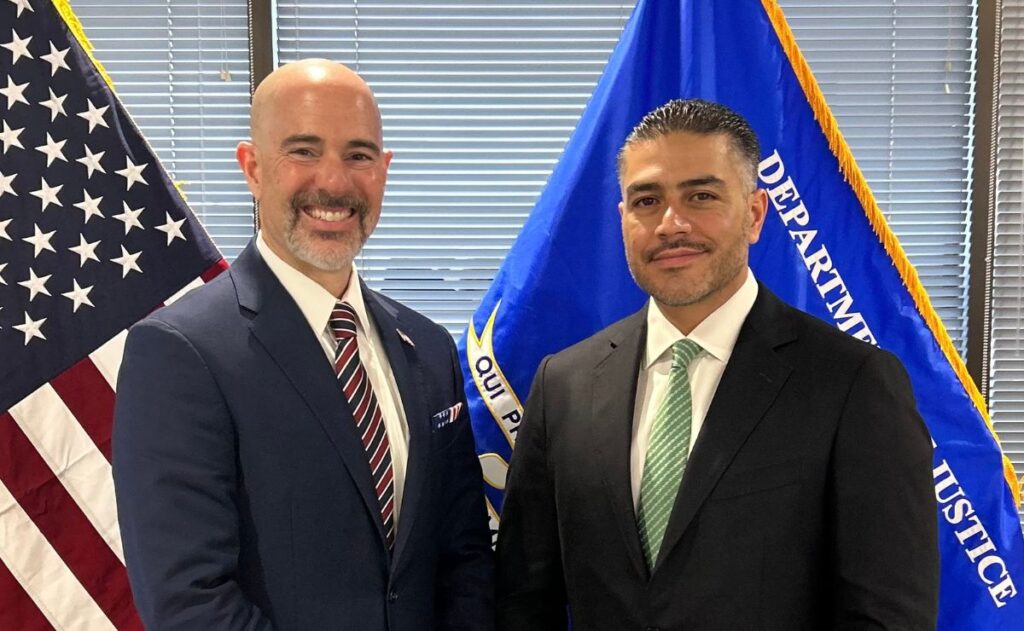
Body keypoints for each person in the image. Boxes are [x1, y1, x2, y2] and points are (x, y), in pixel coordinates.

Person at [495, 99, 938, 630]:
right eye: (647, 200)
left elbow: (888, 615)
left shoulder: (852, 383)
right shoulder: (564, 384)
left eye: (701, 196)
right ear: (623, 219)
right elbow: (524, 600)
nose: (671, 224)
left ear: (754, 214)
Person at [113, 59, 494, 631]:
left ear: (384, 170)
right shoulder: (179, 353)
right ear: (253, 168)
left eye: (358, 155)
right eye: (304, 151)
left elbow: (463, 557)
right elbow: (190, 602)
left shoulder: (430, 348)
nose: (334, 183)